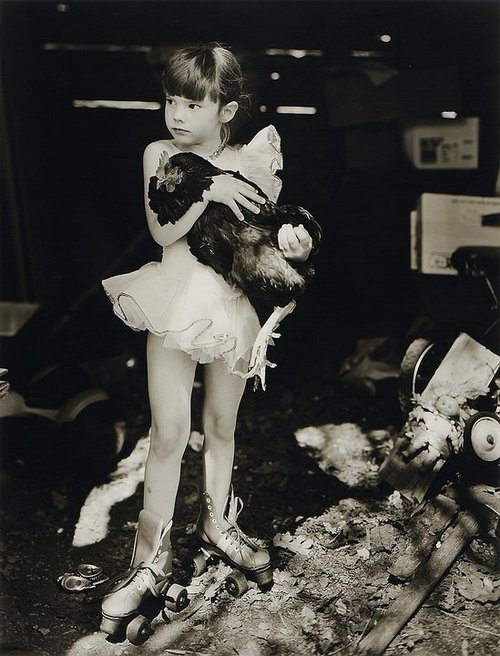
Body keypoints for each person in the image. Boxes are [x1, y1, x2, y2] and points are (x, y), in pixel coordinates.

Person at [100, 43, 314, 637]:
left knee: (221, 425)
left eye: (192, 103)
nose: (176, 114)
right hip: (173, 301)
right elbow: (159, 226)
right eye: (169, 100)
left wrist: (296, 245)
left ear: (226, 108)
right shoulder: (161, 155)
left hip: (231, 309)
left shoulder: (252, 157)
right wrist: (208, 191)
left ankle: (218, 526)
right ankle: (148, 561)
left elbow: (270, 237)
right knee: (168, 431)